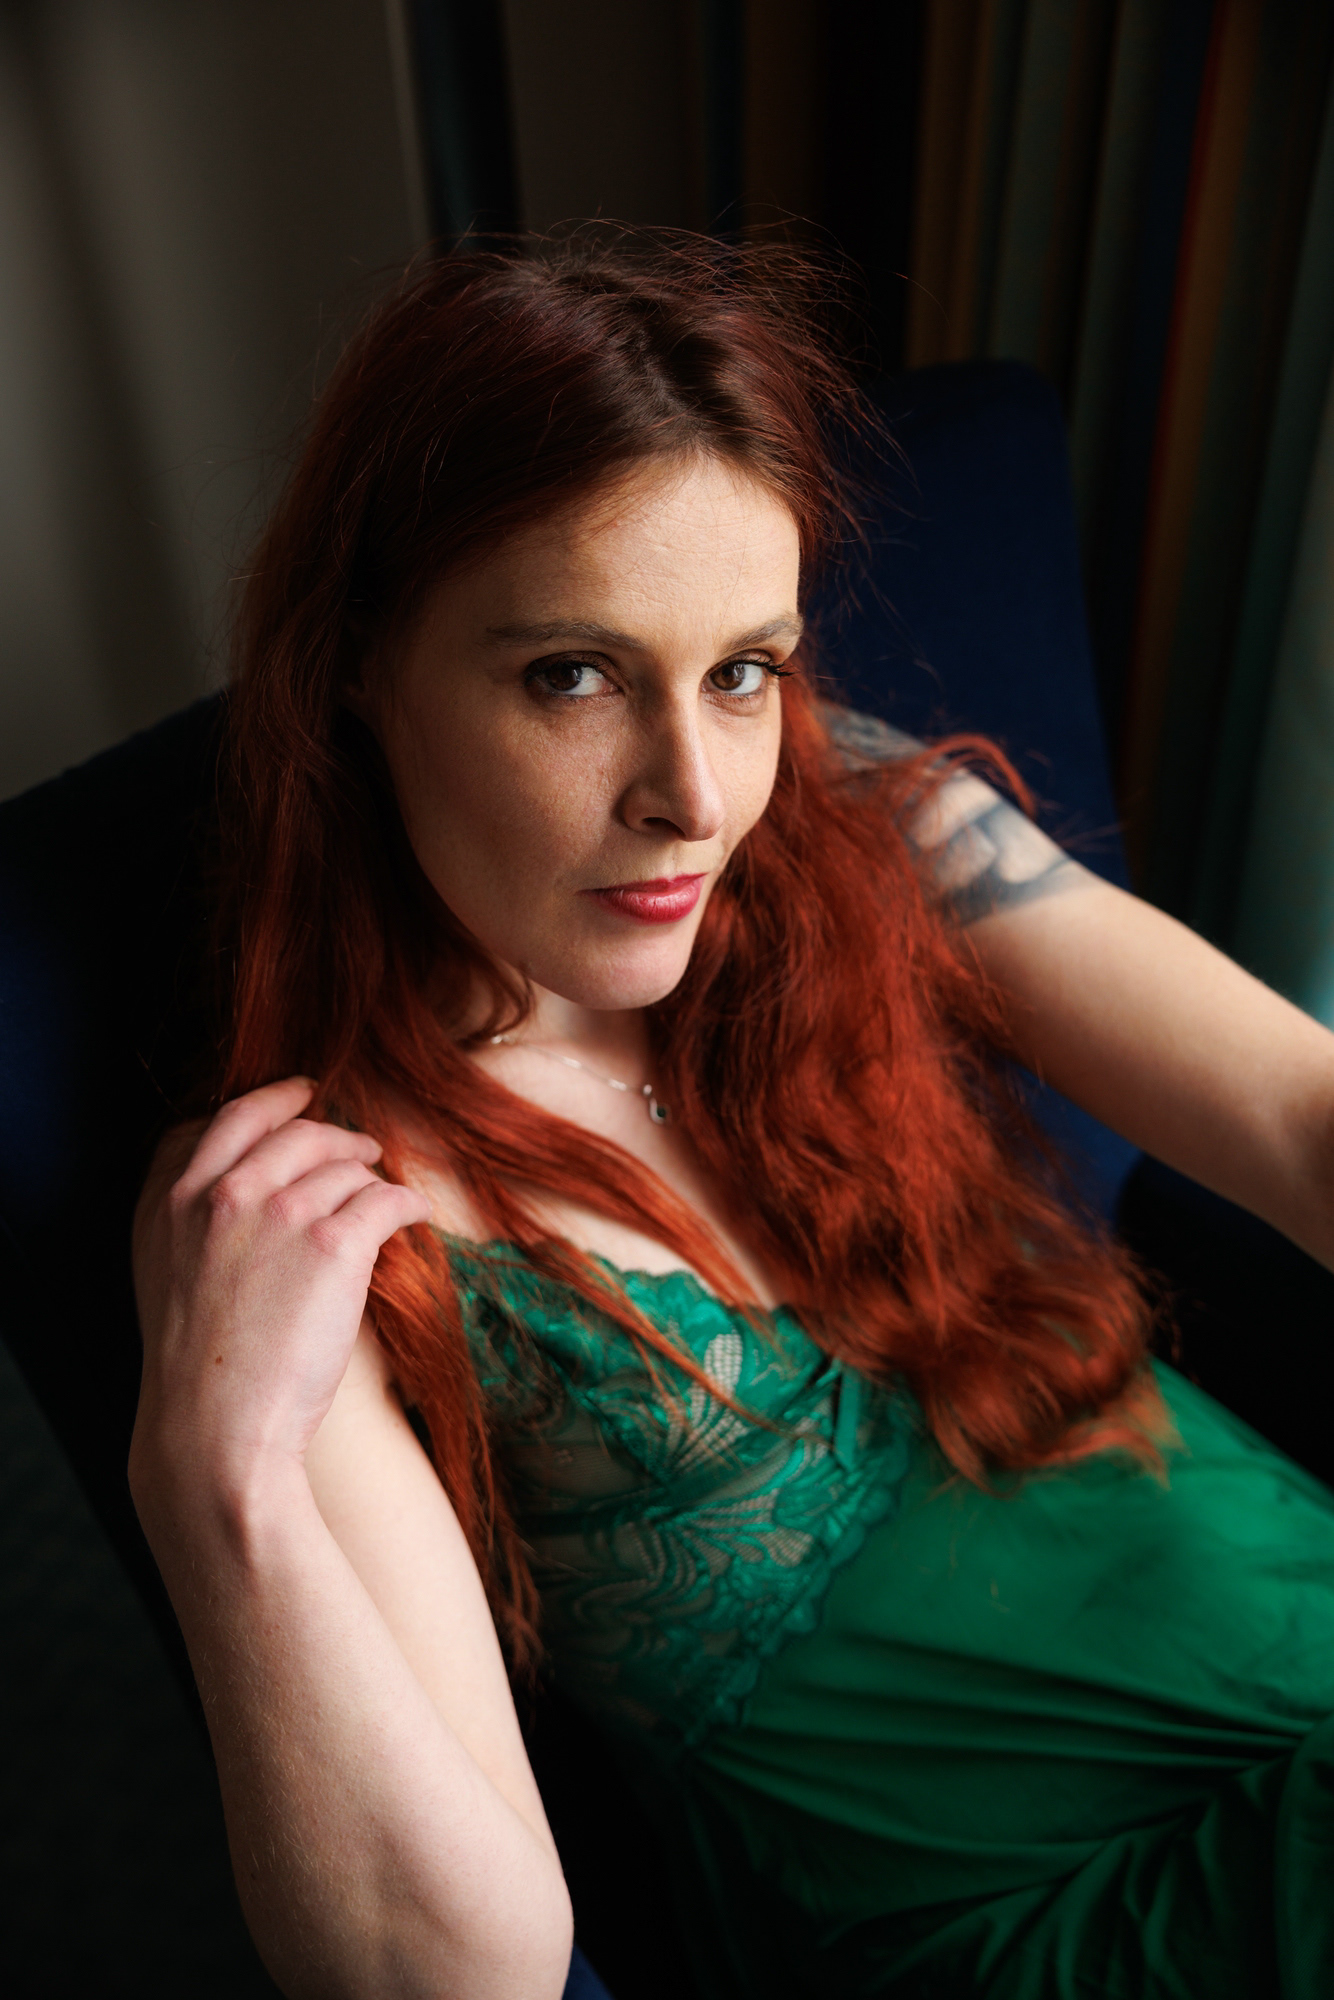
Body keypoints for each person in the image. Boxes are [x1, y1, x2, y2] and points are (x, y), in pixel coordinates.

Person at [129, 237, 1334, 2000]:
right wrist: (213, 1480)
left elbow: (1297, 1117)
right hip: (1047, 1914)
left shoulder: (859, 830)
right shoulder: (303, 1206)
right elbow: (458, 1974)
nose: (695, 799)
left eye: (743, 669)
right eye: (572, 674)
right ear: (362, 665)